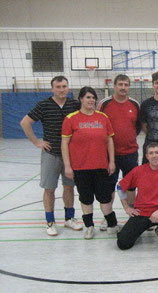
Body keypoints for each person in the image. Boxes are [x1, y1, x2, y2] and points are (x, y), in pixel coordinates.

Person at [20, 76, 82, 236]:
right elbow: (25, 122)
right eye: (58, 86)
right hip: (51, 153)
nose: (62, 89)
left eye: (64, 86)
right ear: (53, 89)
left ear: (68, 87)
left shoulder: (75, 105)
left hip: (70, 154)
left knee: (69, 187)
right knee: (49, 189)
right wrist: (36, 142)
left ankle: (69, 218)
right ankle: (50, 221)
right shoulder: (44, 105)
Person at [61, 87, 120, 239]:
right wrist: (67, 166)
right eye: (88, 97)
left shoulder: (103, 117)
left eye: (93, 97)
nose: (91, 100)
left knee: (105, 197)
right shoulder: (71, 118)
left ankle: (112, 225)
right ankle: (89, 227)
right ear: (81, 99)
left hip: (100, 166)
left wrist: (112, 161)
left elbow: (110, 140)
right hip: (81, 167)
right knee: (86, 198)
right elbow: (64, 143)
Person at [116, 142, 158, 250]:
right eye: (151, 153)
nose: (154, 155)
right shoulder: (138, 171)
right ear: (147, 156)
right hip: (142, 213)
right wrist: (127, 207)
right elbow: (120, 187)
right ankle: (136, 230)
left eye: (157, 152)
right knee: (123, 244)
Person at [97, 74, 141, 231]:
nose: (123, 87)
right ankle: (107, 218)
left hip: (130, 153)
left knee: (131, 187)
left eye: (126, 85)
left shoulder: (135, 104)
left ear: (129, 87)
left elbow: (137, 127)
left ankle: (133, 216)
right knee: (108, 187)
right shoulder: (104, 104)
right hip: (109, 154)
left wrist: (127, 138)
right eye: (120, 84)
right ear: (114, 86)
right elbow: (98, 123)